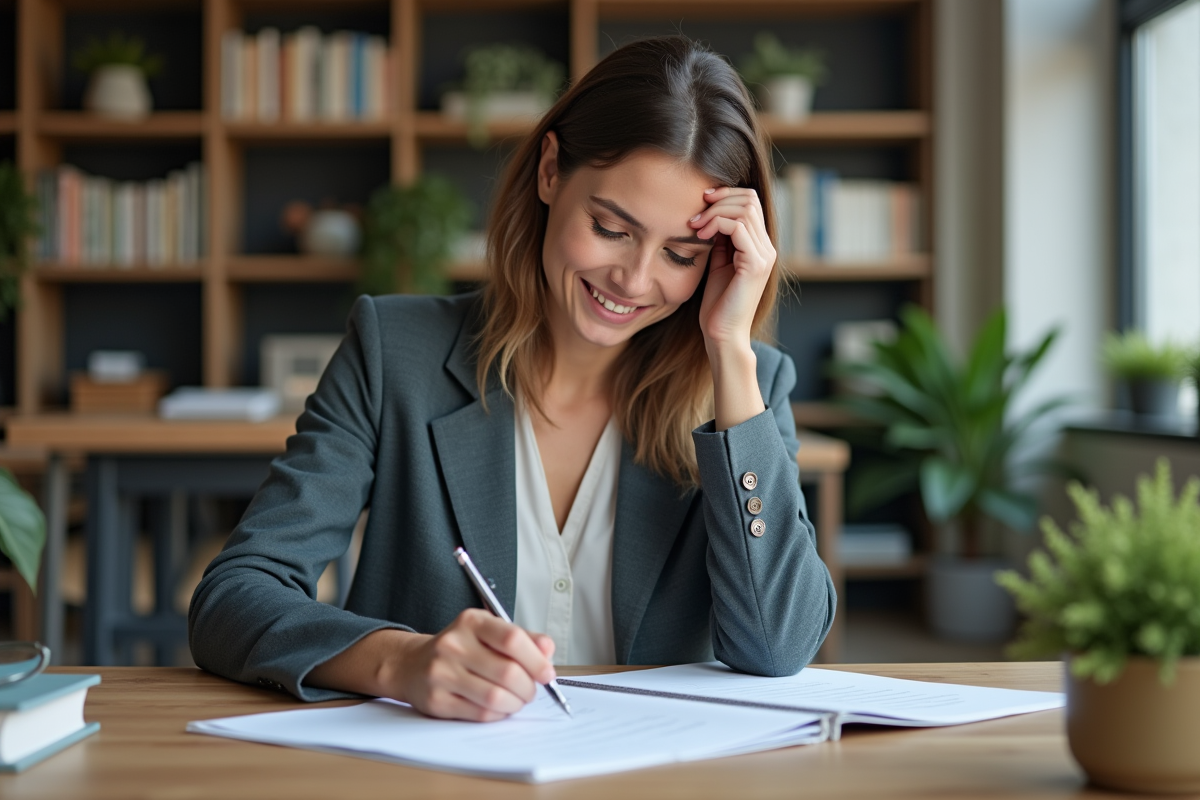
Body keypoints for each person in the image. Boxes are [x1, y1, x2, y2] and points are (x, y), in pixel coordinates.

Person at [188, 35, 835, 723]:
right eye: (611, 228)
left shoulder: (749, 386)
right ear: (551, 170)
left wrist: (731, 350)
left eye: (680, 253)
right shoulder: (395, 353)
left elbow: (778, 646)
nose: (635, 280)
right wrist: (399, 661)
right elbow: (235, 596)